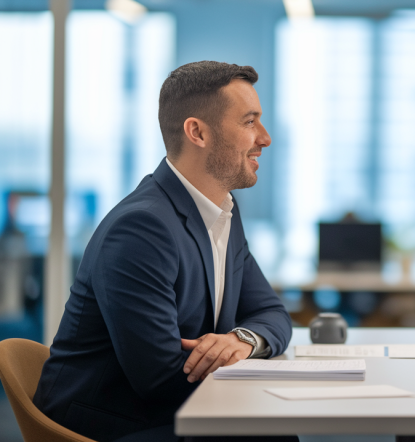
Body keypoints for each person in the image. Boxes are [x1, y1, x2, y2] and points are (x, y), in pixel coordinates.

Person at [33, 61, 296, 442]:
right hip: (112, 425)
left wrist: (241, 340)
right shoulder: (141, 228)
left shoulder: (223, 211)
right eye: (249, 122)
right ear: (197, 132)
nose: (265, 138)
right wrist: (261, 390)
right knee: (271, 433)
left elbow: (272, 313)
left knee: (273, 431)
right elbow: (160, 377)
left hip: (172, 410)